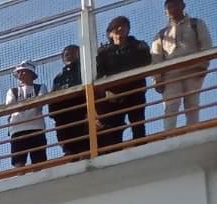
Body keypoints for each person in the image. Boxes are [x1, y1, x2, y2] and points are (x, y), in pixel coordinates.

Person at [151, 0, 213, 131]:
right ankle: (168, 135)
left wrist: (203, 66)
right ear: (165, 11)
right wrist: (157, 78)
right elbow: (156, 58)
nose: (172, 9)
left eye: (175, 5)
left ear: (183, 6)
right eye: (169, 7)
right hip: (171, 74)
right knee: (171, 106)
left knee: (192, 104)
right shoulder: (161, 34)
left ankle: (193, 132)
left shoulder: (196, 24)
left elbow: (206, 45)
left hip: (193, 70)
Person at [97, 15, 154, 146]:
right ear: (110, 33)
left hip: (135, 90)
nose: (120, 29)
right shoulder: (104, 52)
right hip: (114, 95)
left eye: (124, 26)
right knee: (114, 125)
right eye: (116, 27)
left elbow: (146, 62)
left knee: (138, 121)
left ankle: (140, 146)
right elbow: (100, 73)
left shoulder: (138, 45)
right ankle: (114, 150)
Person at [50, 44, 91, 157]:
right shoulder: (59, 78)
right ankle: (69, 153)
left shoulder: (84, 71)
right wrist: (54, 114)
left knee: (84, 141)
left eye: (73, 54)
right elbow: (53, 97)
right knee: (68, 144)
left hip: (80, 111)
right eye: (67, 54)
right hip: (64, 115)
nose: (69, 57)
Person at [5, 62, 49, 168]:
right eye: (19, 72)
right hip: (17, 130)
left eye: (23, 71)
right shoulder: (13, 91)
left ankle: (40, 179)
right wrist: (30, 105)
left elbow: (41, 101)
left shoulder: (40, 87)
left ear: (31, 74)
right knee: (18, 162)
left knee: (39, 160)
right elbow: (9, 106)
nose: (21, 74)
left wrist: (21, 107)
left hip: (36, 128)